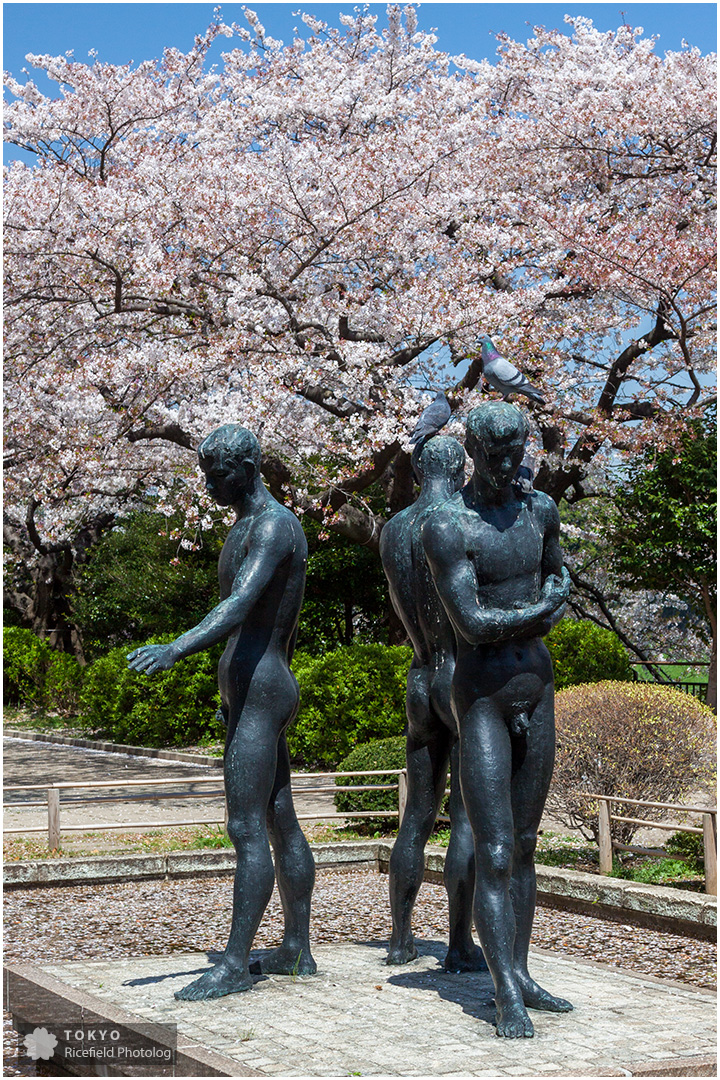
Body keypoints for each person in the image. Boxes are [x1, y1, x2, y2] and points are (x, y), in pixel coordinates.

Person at [128, 424, 316, 1000]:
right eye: (206, 472)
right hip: (245, 689)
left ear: (250, 466)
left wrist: (176, 648)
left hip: (263, 688)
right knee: (279, 814)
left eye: (219, 473)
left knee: (245, 826)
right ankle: (297, 949)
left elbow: (239, 606)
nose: (210, 483)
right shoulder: (242, 527)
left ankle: (235, 963)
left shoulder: (276, 525)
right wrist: (222, 693)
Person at [422, 402, 572, 1038]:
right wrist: (540, 612)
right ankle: (502, 990)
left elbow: (560, 574)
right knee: (497, 848)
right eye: (496, 455)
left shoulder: (539, 508)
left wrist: (543, 606)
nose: (510, 465)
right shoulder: (446, 525)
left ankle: (522, 972)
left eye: (519, 452)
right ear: (473, 453)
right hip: (480, 696)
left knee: (529, 846)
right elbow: (472, 624)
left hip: (537, 686)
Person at [380, 436, 485, 973]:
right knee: (465, 816)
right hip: (460, 677)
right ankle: (459, 941)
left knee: (416, 815)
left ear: (420, 469)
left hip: (419, 674)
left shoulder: (393, 528)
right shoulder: (462, 520)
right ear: (463, 469)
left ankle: (400, 939)